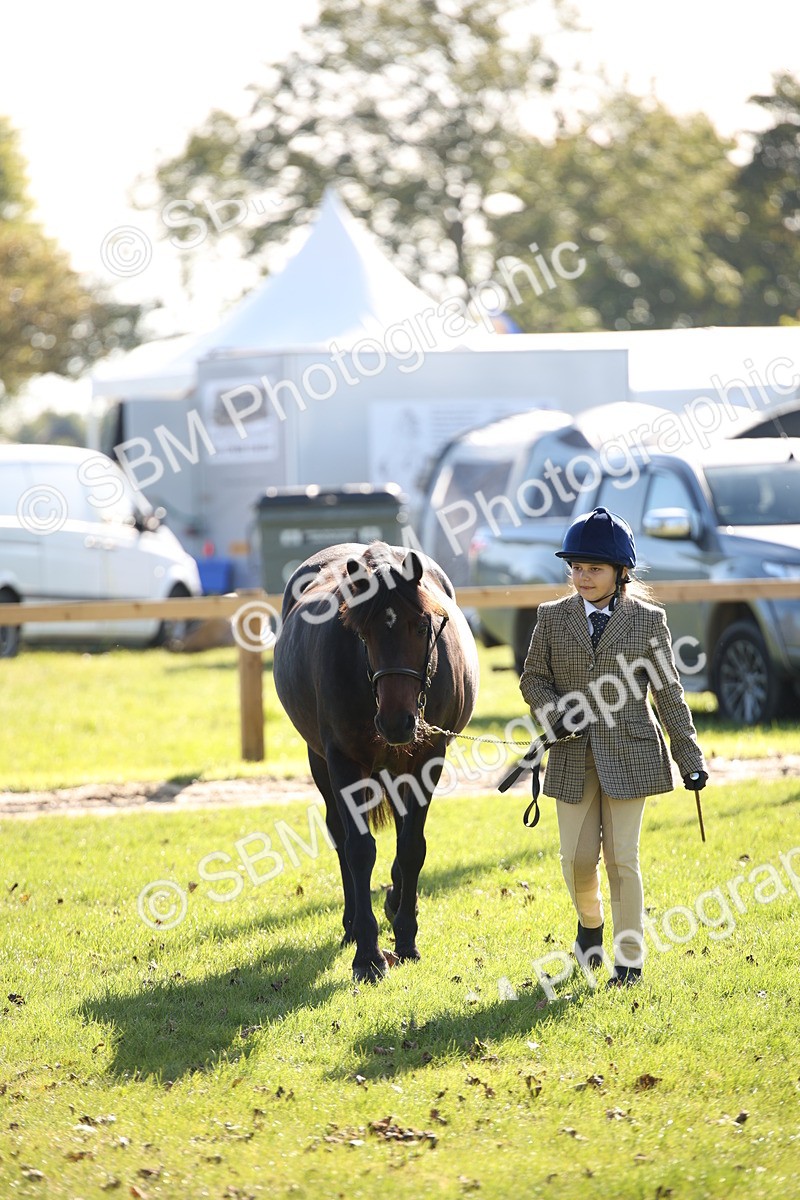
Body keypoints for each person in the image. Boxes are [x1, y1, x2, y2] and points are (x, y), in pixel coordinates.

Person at [519, 507, 707, 987]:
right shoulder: (551, 618)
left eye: (594, 569)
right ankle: (590, 927)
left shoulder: (648, 621)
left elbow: (668, 693)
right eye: (576, 568)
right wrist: (557, 715)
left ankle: (629, 961)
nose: (582, 577)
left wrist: (689, 758)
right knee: (577, 859)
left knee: (624, 857)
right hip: (570, 756)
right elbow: (533, 677)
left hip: (633, 753)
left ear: (621, 574)